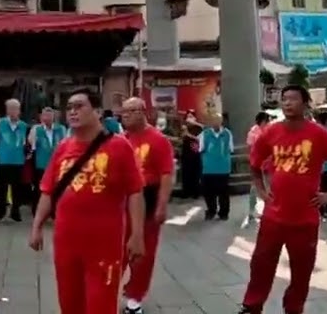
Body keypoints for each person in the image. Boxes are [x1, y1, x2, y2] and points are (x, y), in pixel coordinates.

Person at [29, 89, 144, 314]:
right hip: (66, 242)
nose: (72, 112)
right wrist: (37, 227)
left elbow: (135, 191)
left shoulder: (119, 147)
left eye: (79, 106)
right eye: (69, 107)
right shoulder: (63, 147)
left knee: (100, 305)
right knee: (70, 304)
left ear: (98, 112)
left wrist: (137, 234)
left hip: (104, 244)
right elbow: (47, 190)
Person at [239, 85, 327, 314]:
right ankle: (252, 306)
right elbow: (254, 162)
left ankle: (294, 308)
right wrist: (260, 189)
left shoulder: (319, 134)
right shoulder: (271, 131)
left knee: (302, 270)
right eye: (284, 99)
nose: (287, 103)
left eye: (293, 99)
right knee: (261, 263)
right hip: (274, 216)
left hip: (305, 219)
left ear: (305, 103)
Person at [119, 97, 173, 314]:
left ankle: (135, 298)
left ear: (142, 112)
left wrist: (161, 205)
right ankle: (113, 290)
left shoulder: (158, 140)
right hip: (123, 203)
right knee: (118, 251)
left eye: (130, 111)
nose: (125, 116)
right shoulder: (121, 140)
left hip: (148, 200)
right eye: (123, 112)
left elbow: (167, 175)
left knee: (144, 253)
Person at [0, 98, 28, 223]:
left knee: (17, 189)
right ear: (6, 110)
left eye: (15, 109)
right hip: (2, 161)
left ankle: (15, 213)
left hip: (18, 162)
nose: (12, 111)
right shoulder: (0, 123)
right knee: (1, 189)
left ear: (19, 111)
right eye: (10, 108)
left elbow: (26, 143)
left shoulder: (24, 125)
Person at [28, 106, 67, 216]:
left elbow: (65, 144)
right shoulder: (37, 129)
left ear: (54, 117)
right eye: (45, 115)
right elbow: (32, 144)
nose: (47, 118)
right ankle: (37, 212)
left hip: (57, 164)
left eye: (50, 115)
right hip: (41, 164)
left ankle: (54, 212)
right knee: (39, 189)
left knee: (56, 190)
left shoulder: (61, 129)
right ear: (41, 117)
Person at [199, 114, 234, 221]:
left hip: (223, 168)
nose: (216, 123)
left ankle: (223, 213)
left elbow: (231, 149)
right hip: (208, 169)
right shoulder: (205, 134)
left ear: (221, 121)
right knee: (208, 192)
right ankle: (211, 211)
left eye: (218, 121)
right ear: (211, 122)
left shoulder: (227, 133)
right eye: (214, 121)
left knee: (224, 192)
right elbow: (200, 149)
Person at [244, 112, 272, 226]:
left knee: (269, 187)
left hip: (269, 163)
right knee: (255, 187)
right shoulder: (253, 133)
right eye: (267, 121)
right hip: (257, 163)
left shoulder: (269, 131)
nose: (268, 123)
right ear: (263, 121)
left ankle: (269, 210)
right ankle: (252, 210)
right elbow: (250, 148)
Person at [178, 115, 203, 199]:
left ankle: (195, 193)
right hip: (186, 155)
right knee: (186, 174)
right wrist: (183, 134)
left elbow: (199, 140)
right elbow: (180, 140)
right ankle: (186, 192)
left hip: (195, 154)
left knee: (195, 174)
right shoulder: (183, 128)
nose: (189, 120)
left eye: (191, 117)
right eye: (188, 117)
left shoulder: (198, 128)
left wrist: (188, 134)